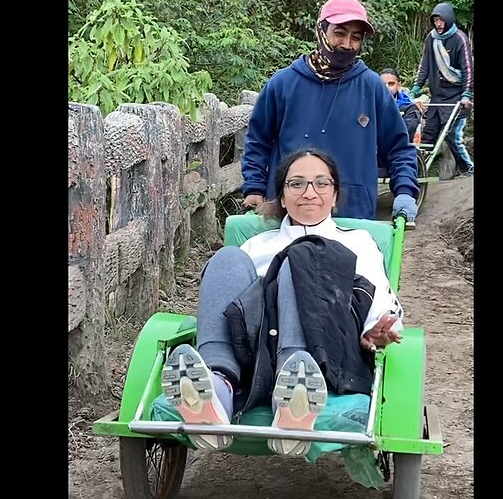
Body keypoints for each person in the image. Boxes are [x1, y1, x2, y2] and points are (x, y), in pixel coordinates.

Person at [164, 148, 405, 456]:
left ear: (334, 195)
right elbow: (231, 304)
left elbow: (379, 294)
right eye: (296, 184)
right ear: (281, 195)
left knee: (301, 256)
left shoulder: (359, 241)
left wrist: (376, 328)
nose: (309, 192)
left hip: (325, 348)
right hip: (257, 347)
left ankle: (294, 390)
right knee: (226, 258)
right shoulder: (256, 245)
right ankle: (217, 387)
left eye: (321, 183)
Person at [241, 0, 421, 222]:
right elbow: (258, 141)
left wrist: (405, 190)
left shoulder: (371, 86)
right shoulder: (283, 84)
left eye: (355, 38)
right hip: (290, 214)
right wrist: (254, 187)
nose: (347, 45)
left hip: (353, 215)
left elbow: (398, 148)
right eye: (339, 33)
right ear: (321, 30)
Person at [411, 2, 475, 177]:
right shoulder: (431, 38)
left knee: (454, 134)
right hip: (437, 96)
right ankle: (418, 171)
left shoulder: (460, 39)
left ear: (449, 19)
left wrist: (467, 93)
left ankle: (469, 168)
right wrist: (416, 88)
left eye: (441, 20)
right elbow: (424, 65)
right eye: (435, 20)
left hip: (457, 96)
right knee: (428, 135)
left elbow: (468, 68)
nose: (438, 24)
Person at [380, 68, 423, 143]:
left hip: (399, 150)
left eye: (391, 84)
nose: (386, 88)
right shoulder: (368, 106)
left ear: (399, 86)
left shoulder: (410, 108)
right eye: (382, 84)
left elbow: (405, 132)